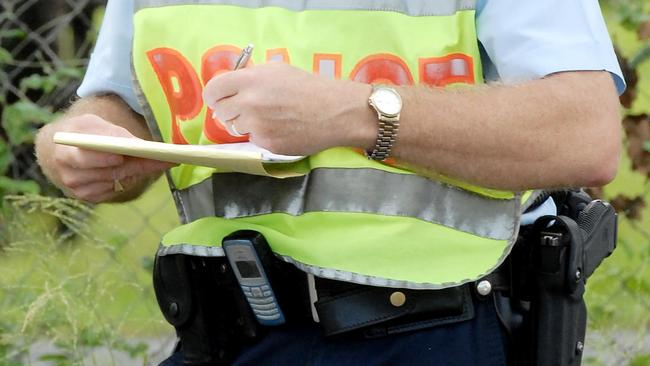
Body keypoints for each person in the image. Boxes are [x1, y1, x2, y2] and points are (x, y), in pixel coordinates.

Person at [35, 0, 625, 365]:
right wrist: (81, 142)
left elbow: (584, 135)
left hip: (432, 333)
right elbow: (121, 104)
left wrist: (356, 114)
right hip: (226, 330)